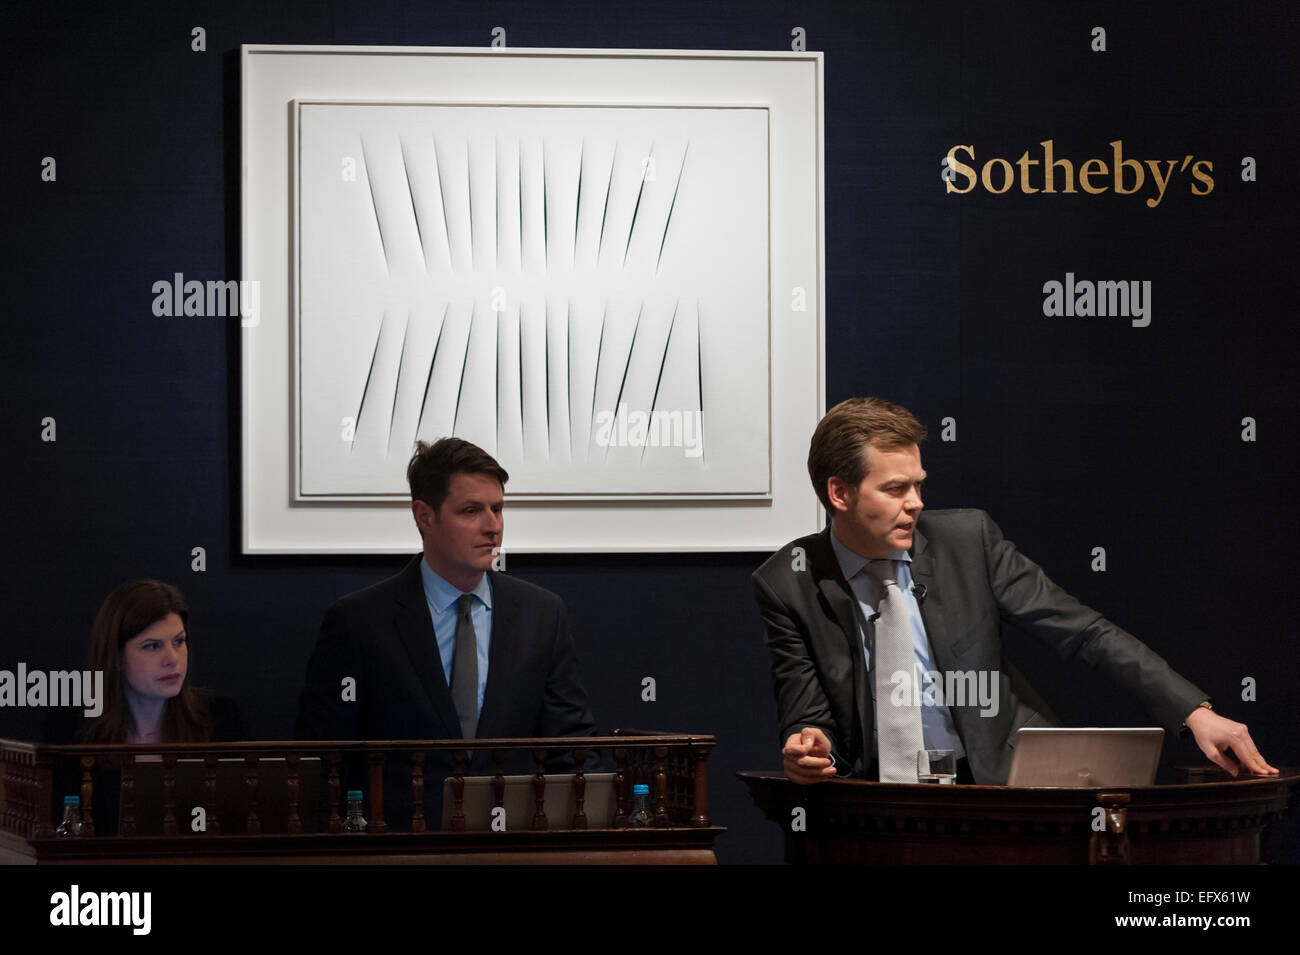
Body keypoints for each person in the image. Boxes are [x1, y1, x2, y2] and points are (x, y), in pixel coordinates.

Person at [753, 397, 1277, 785]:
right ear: (839, 493)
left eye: (918, 484)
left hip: (995, 784)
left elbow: (1084, 634)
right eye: (894, 489)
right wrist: (808, 746)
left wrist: (1194, 712)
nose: (914, 503)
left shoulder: (967, 540)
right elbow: (806, 714)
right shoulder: (788, 582)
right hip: (873, 800)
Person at [295, 437, 600, 827]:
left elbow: (572, 745)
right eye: (471, 511)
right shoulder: (358, 623)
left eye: (498, 509)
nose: (493, 527)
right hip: (399, 851)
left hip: (515, 846)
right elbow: (323, 759)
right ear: (424, 516)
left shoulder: (542, 615)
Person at [48, 579, 246, 833]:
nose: (172, 659)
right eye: (152, 646)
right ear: (116, 657)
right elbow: (62, 832)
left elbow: (236, 828)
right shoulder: (72, 727)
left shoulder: (220, 719)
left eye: (179, 641)